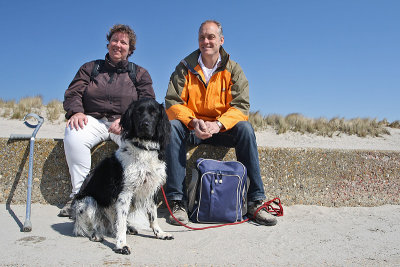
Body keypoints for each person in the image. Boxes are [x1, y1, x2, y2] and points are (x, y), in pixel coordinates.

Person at [164, 20, 277, 226]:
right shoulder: (184, 68)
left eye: (211, 37)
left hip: (222, 129)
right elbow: (173, 102)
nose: (206, 41)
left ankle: (255, 200)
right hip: (193, 128)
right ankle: (177, 201)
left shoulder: (234, 69)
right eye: (202, 37)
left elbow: (241, 107)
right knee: (172, 127)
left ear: (221, 40)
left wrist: (218, 124)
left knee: (245, 128)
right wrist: (193, 121)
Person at [59, 24, 155, 217]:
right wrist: (76, 112)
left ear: (130, 49)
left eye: (123, 42)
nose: (118, 45)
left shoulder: (140, 73)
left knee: (140, 149)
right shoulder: (90, 68)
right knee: (73, 135)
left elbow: (148, 103)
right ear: (108, 43)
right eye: (114, 40)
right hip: (91, 120)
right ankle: (79, 196)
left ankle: (137, 201)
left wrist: (127, 121)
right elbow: (73, 93)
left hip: (125, 124)